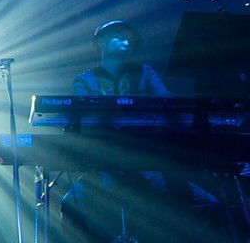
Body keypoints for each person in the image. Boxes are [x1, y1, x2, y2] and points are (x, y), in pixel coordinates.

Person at [60, 21, 221, 243]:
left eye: (129, 38)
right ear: (101, 42)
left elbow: (168, 103)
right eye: (119, 36)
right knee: (70, 204)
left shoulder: (145, 72)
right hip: (106, 166)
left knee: (209, 203)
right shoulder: (85, 81)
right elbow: (86, 121)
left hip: (147, 165)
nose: (127, 41)